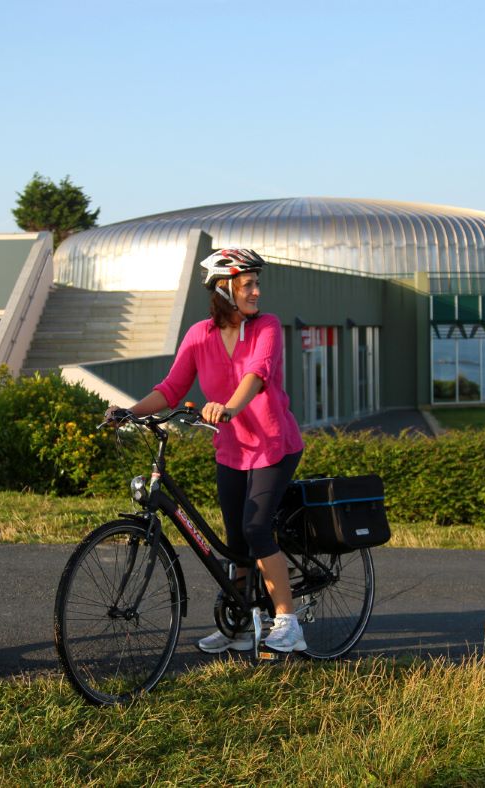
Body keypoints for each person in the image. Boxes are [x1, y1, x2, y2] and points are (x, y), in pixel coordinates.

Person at [112, 248, 306, 653]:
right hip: (232, 449)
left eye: (256, 283)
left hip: (273, 445)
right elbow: (171, 388)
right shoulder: (200, 335)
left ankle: (287, 618)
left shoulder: (267, 327)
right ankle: (239, 623)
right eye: (247, 284)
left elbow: (257, 374)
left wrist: (230, 407)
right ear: (225, 289)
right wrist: (129, 411)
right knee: (235, 539)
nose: (256, 291)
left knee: (256, 528)